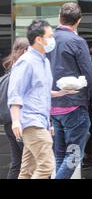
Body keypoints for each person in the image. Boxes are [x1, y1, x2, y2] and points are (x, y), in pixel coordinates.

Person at [46, 2, 92, 179]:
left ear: (59, 17)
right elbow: (91, 78)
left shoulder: (48, 41)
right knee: (74, 156)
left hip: (54, 108)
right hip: (74, 109)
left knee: (61, 156)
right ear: (78, 21)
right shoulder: (77, 42)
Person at [7, 20, 56, 179]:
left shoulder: (45, 62)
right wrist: (15, 120)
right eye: (50, 36)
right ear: (39, 39)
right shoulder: (26, 61)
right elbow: (15, 92)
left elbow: (42, 94)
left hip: (40, 121)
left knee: (27, 170)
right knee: (46, 166)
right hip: (30, 121)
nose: (53, 39)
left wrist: (48, 123)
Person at [1, 37, 29, 179]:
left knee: (17, 163)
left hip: (9, 123)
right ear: (26, 51)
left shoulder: (10, 71)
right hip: (20, 122)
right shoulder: (21, 71)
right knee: (31, 162)